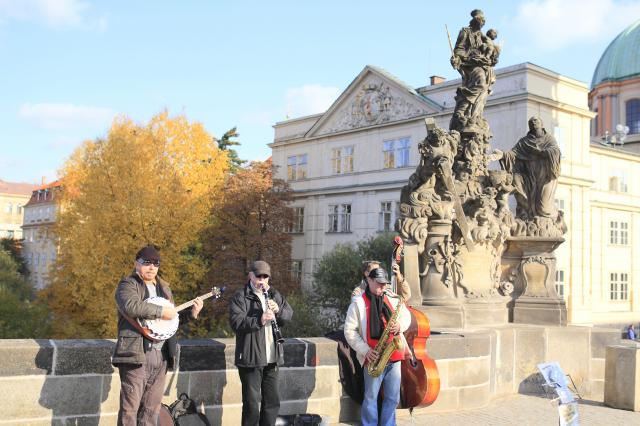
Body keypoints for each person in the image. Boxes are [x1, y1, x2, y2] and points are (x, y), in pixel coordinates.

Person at [112, 245, 203, 426]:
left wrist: (191, 314)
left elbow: (169, 322)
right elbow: (131, 306)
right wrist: (161, 312)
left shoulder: (164, 288)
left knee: (151, 410)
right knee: (130, 410)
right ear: (136, 263)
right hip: (136, 354)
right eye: (147, 262)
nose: (152, 267)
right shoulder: (128, 285)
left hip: (162, 356)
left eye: (156, 263)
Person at [344, 267, 411, 426]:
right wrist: (366, 351)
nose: (383, 287)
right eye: (379, 284)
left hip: (394, 356)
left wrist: (400, 326)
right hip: (373, 357)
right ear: (369, 280)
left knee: (392, 398)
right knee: (371, 398)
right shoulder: (358, 303)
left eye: (385, 284)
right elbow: (349, 331)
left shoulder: (392, 298)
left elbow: (406, 316)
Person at [229, 260, 293, 426]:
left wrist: (278, 311)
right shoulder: (241, 296)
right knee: (251, 405)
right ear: (250, 275)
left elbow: (289, 314)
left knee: (272, 402)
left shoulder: (274, 294)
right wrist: (260, 319)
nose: (262, 280)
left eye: (265, 277)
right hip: (251, 357)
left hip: (272, 357)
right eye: (259, 276)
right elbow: (236, 322)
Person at [500, 117, 561, 220]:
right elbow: (513, 153)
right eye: (531, 122)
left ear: (542, 125)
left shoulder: (549, 139)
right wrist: (502, 154)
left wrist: (543, 152)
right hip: (529, 177)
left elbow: (555, 151)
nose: (533, 122)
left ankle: (557, 218)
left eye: (536, 120)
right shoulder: (524, 141)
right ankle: (526, 216)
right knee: (516, 180)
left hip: (546, 176)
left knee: (543, 208)